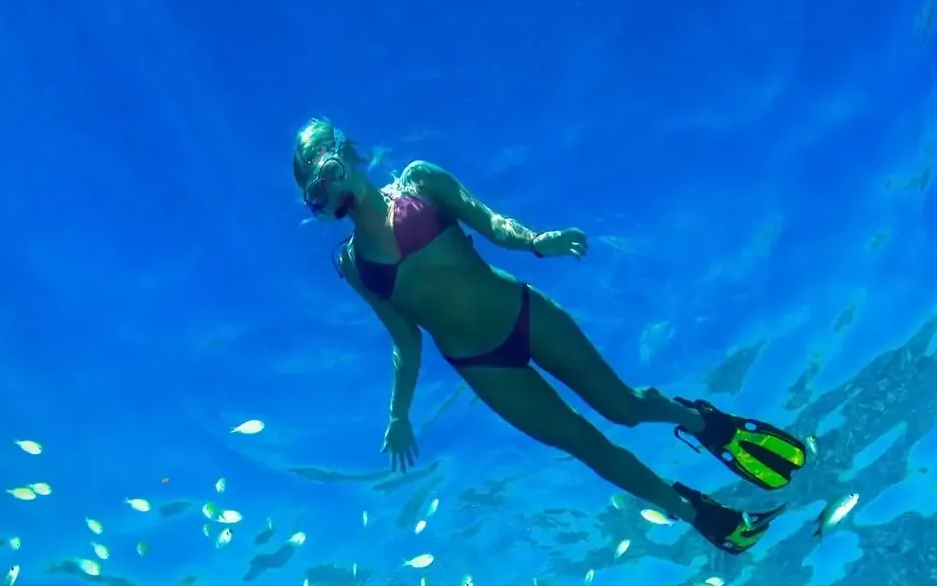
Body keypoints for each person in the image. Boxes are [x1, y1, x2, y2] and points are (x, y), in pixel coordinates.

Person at [290, 118, 809, 551]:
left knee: (623, 408)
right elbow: (405, 339)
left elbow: (490, 222)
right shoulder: (355, 265)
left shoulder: (419, 183)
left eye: (331, 171)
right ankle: (690, 510)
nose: (332, 190)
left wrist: (538, 242)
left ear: (348, 154)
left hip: (522, 312)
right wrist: (398, 413)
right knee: (583, 443)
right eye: (317, 193)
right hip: (482, 365)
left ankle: (700, 421)